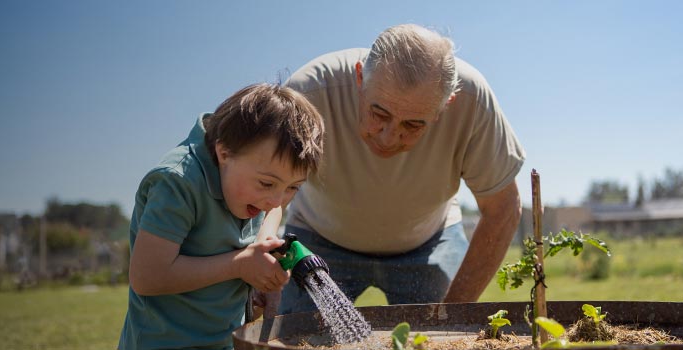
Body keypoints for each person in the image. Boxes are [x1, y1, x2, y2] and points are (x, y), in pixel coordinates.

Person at [276, 24, 527, 315]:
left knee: (446, 334)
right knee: (291, 333)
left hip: (429, 242)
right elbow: (268, 189)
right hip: (317, 237)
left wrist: (450, 317)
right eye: (378, 113)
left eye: (413, 124)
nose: (389, 138)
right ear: (360, 77)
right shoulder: (308, 91)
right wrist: (266, 262)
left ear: (446, 104)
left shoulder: (473, 100)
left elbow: (503, 207)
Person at [118, 83, 325, 350]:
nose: (276, 201)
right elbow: (147, 276)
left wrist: (263, 250)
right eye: (266, 183)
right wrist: (240, 265)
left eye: (293, 188)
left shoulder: (249, 184)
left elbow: (273, 209)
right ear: (224, 152)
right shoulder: (178, 182)